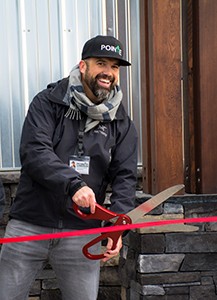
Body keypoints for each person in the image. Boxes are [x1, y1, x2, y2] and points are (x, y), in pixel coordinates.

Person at [0, 35, 138, 300]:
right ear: (83, 66)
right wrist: (73, 184)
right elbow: (34, 151)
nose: (108, 73)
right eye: (101, 63)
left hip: (81, 231)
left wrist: (117, 225)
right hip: (30, 222)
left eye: (114, 67)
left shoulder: (121, 121)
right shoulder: (48, 102)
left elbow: (125, 178)